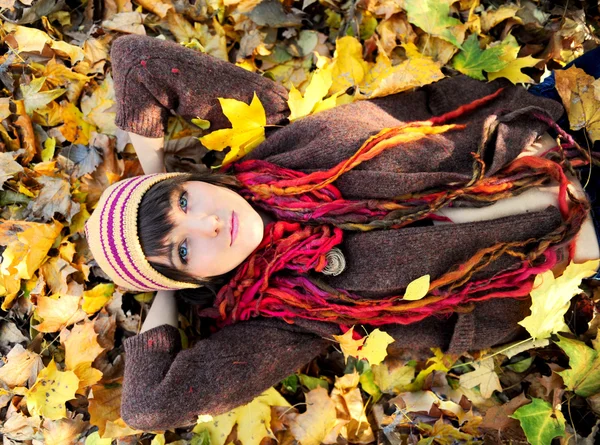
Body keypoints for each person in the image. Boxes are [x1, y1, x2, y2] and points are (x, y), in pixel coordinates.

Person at [84, 34, 600, 431]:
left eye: (184, 200)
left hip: (546, 125)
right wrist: (162, 293)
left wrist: (153, 173)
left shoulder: (268, 139)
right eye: (183, 248)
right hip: (575, 234)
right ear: (186, 277)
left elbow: (136, 59)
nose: (211, 223)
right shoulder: (280, 317)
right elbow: (151, 406)